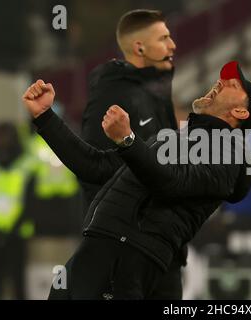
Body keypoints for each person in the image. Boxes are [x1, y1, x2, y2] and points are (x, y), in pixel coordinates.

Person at [22, 61, 251, 299]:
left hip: (127, 254)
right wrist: (45, 118)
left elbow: (171, 184)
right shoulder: (173, 139)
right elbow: (95, 167)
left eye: (232, 85)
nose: (220, 82)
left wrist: (128, 140)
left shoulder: (231, 153)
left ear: (240, 111)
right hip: (100, 247)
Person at [79, 9, 184, 298]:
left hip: (164, 248)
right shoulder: (112, 95)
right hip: (127, 252)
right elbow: (93, 168)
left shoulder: (157, 89)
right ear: (139, 47)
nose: (173, 45)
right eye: (163, 38)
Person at [0, 123, 35, 299]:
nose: (3, 142)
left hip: (18, 233)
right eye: (0, 137)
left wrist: (17, 226)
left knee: (18, 284)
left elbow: (31, 201)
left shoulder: (25, 165)